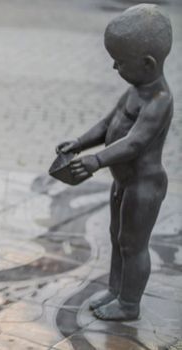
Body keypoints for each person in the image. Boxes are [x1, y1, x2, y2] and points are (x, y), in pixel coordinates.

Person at [56, 4, 173, 321]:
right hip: (122, 182)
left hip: (144, 186)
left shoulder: (159, 100)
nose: (113, 68)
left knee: (133, 245)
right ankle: (116, 290)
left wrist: (96, 160)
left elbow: (135, 142)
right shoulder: (135, 90)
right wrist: (80, 143)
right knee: (117, 236)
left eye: (120, 62)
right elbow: (109, 124)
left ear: (147, 64)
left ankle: (129, 303)